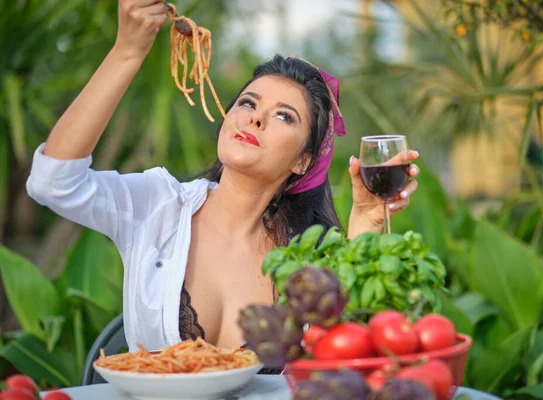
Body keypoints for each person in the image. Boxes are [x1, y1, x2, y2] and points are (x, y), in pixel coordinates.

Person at [26, 0, 420, 356]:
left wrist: (366, 222)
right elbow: (52, 182)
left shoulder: (310, 258)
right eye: (248, 102)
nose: (256, 117)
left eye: (285, 116)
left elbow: (358, 353)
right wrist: (128, 51)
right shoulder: (160, 207)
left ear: (303, 161)